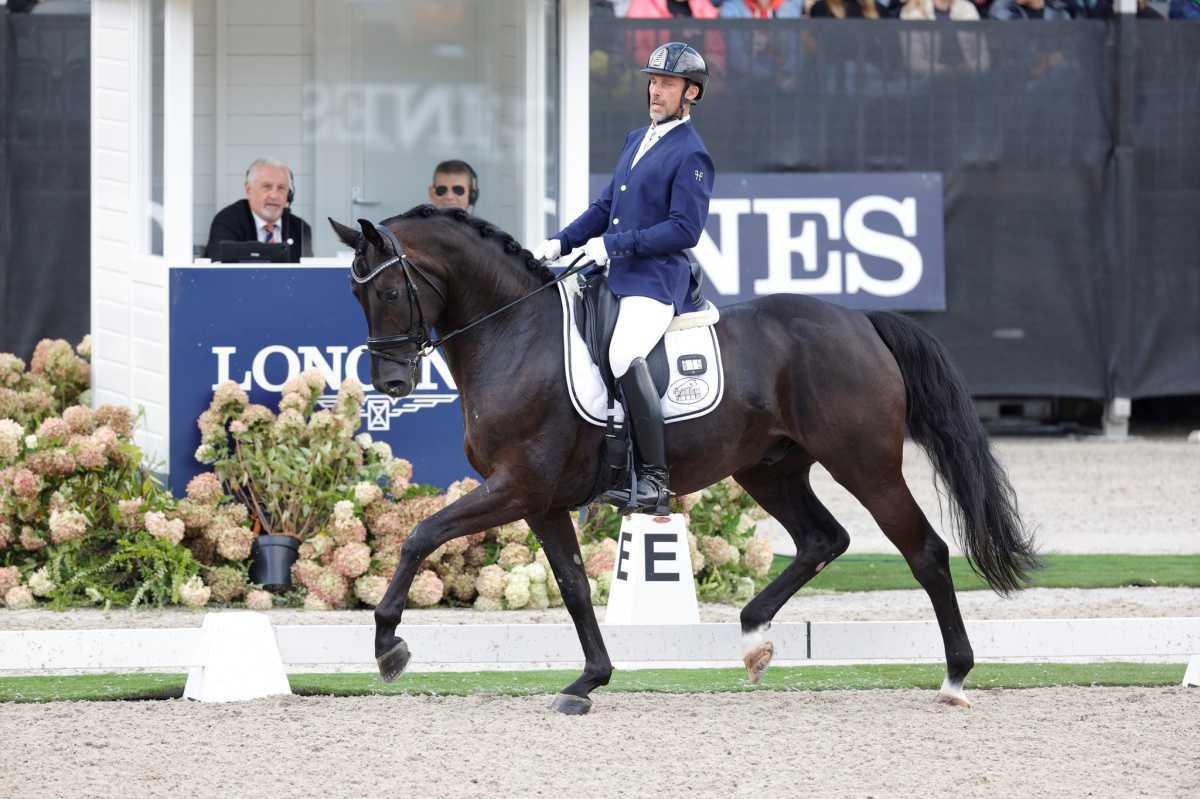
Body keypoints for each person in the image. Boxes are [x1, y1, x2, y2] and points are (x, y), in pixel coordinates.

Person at [531, 42, 714, 516]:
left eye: (667, 84)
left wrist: (615, 245)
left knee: (623, 352)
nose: (655, 91)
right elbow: (605, 207)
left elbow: (684, 230)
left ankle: (654, 477)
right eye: (652, 81)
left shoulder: (692, 153)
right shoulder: (637, 138)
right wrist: (559, 243)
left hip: (656, 279)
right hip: (614, 271)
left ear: (691, 93)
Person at [204, 158, 312, 262]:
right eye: (267, 187)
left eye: (281, 188)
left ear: (288, 195)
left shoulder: (300, 228)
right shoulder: (228, 221)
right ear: (249, 190)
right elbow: (218, 268)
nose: (274, 195)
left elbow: (308, 271)